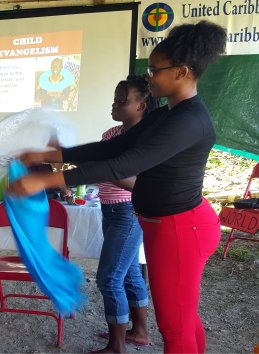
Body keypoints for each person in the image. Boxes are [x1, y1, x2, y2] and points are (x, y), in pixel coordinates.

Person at [9, 21, 227, 353]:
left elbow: (124, 165)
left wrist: (46, 178)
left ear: (182, 72)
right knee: (183, 318)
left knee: (174, 327)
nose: (150, 77)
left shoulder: (188, 121)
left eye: (155, 70)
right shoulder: (167, 115)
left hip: (182, 229)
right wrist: (49, 156)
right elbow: (111, 149)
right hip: (165, 226)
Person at [91, 75, 158, 353]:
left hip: (128, 212)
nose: (115, 105)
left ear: (142, 105)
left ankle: (116, 346)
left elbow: (139, 183)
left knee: (108, 278)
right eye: (115, 99)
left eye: (122, 100)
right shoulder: (110, 135)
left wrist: (102, 168)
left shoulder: (147, 140)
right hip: (109, 210)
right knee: (129, 273)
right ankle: (139, 333)